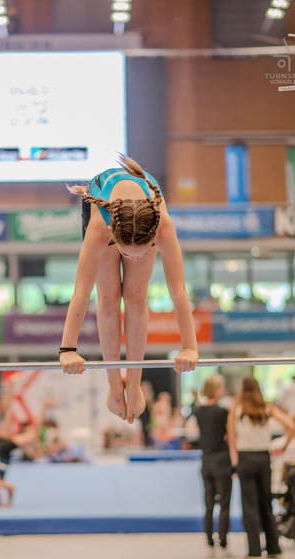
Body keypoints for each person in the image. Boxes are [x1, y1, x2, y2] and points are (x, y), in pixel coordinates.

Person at [59, 154, 199, 424]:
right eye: (127, 254)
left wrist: (190, 347)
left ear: (154, 236)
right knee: (109, 297)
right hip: (104, 205)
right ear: (111, 232)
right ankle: (114, 384)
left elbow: (179, 292)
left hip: (139, 218)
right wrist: (67, 350)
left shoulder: (163, 227)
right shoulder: (100, 228)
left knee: (136, 296)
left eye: (142, 253)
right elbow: (81, 293)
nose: (134, 260)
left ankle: (134, 384)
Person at [226, 376, 295, 559]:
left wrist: (235, 464)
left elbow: (232, 440)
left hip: (244, 458)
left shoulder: (236, 410)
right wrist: (284, 446)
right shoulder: (267, 408)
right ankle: (274, 548)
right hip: (264, 458)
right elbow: (291, 425)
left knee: (249, 506)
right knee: (266, 503)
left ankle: (254, 551)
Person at [192, 374, 232, 556]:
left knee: (208, 504)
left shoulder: (199, 412)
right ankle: (222, 541)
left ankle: (209, 541)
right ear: (216, 390)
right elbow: (229, 435)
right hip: (222, 461)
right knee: (224, 504)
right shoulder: (223, 412)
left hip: (206, 462)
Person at [0, 386, 40, 508]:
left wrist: (8, 504)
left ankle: (44, 406)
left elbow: (11, 488)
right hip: (0, 448)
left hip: (5, 450)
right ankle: (10, 386)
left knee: (34, 436)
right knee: (8, 415)